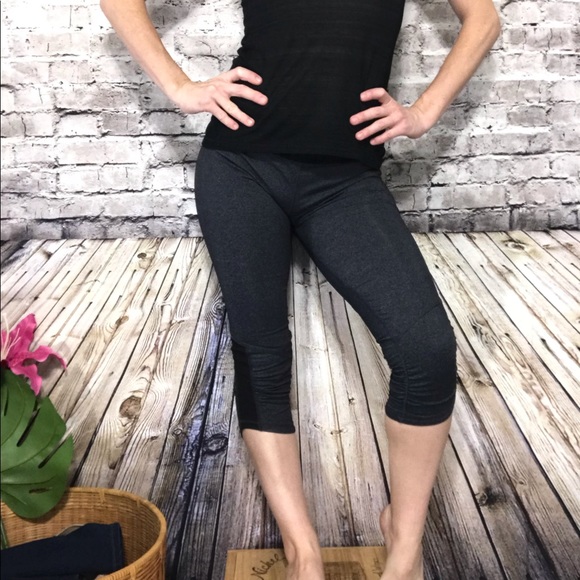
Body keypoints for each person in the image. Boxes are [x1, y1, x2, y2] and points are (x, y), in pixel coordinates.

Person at [100, 1, 501, 578]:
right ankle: (302, 551)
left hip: (345, 181)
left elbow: (483, 18)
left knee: (427, 351)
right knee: (261, 355)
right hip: (240, 168)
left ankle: (405, 545)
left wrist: (423, 111)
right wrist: (181, 86)